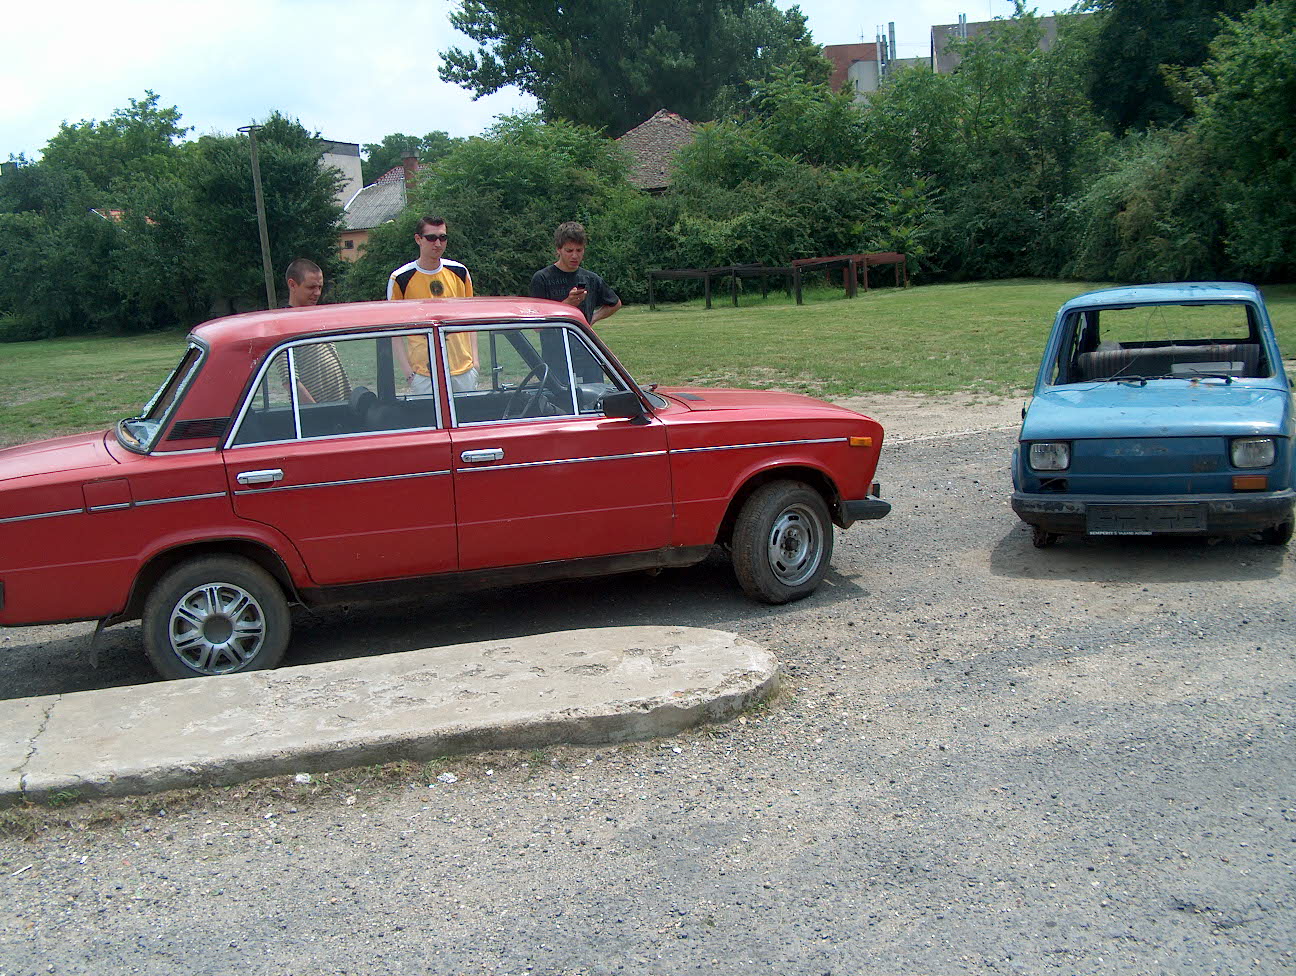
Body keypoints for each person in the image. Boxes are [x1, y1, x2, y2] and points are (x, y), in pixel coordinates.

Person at [387, 216, 478, 394]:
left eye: (443, 238)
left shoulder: (460, 272)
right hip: (423, 374)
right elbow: (394, 330)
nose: (437, 243)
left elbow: (471, 319)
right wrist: (408, 373)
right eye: (431, 238)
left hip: (463, 369)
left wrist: (475, 362)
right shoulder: (401, 278)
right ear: (418, 239)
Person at [282, 259, 349, 404]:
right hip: (317, 412)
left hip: (338, 407)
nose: (317, 293)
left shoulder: (317, 318)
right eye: (311, 287)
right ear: (292, 285)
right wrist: (316, 411)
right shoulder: (284, 326)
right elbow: (290, 381)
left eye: (320, 287)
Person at [529, 221, 621, 326]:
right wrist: (568, 303)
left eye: (579, 250)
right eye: (569, 251)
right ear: (558, 249)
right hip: (553, 336)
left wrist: (592, 319)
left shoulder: (591, 279)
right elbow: (537, 325)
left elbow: (615, 303)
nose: (574, 256)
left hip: (580, 336)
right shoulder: (542, 278)